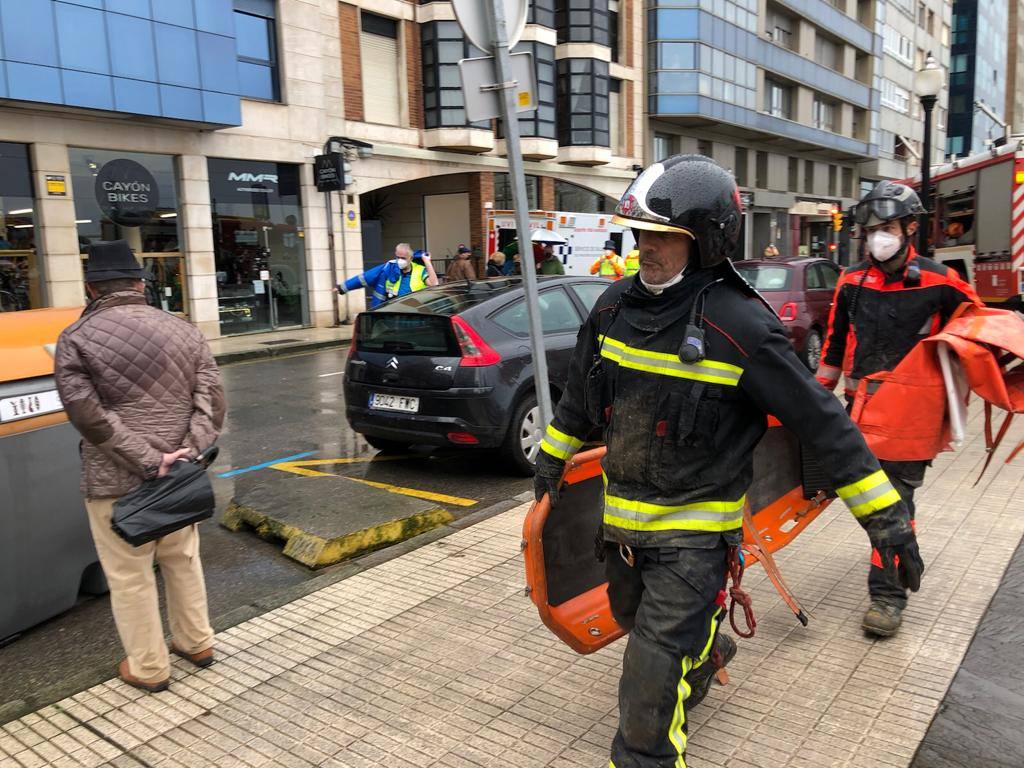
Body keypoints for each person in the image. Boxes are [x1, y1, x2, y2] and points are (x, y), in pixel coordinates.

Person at [533, 155, 923, 768]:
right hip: (623, 535)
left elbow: (823, 426)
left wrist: (887, 520)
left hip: (694, 545)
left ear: (708, 241)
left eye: (665, 236)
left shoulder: (741, 326)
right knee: (638, 626)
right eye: (642, 235)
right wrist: (552, 458)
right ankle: (708, 650)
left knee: (648, 690)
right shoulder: (612, 310)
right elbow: (581, 399)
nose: (647, 249)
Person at [53, 240, 225, 693]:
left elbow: (88, 415)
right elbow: (211, 397)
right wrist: (188, 450)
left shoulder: (76, 338)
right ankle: (197, 643)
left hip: (116, 481)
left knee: (130, 576)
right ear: (140, 283)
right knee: (183, 559)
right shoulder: (185, 331)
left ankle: (149, 668)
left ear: (91, 289)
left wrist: (148, 460)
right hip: (181, 479)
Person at [815, 180, 980, 638]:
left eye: (886, 227)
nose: (876, 238)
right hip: (863, 412)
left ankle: (887, 596)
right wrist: (811, 402)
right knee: (871, 500)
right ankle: (892, 557)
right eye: (870, 230)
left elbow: (977, 332)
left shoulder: (941, 283)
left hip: (912, 417)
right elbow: (832, 347)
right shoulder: (852, 281)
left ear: (910, 228)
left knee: (893, 501)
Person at [336, 243, 438, 308]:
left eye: (403, 258)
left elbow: (434, 283)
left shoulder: (420, 270)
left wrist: (427, 261)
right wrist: (343, 287)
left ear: (411, 258)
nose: (399, 261)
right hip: (392, 314)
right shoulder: (389, 267)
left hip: (414, 314)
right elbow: (366, 277)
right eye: (397, 257)